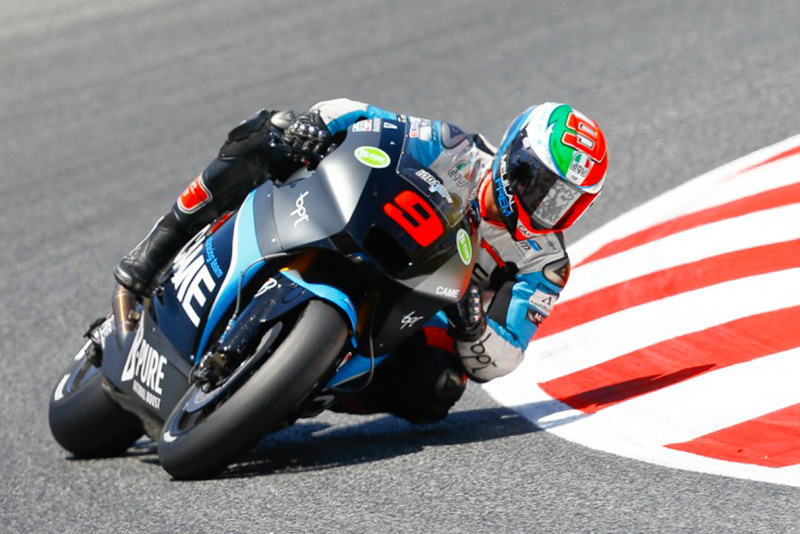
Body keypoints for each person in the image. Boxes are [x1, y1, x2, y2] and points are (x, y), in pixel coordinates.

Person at [114, 98, 608, 423]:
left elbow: (504, 358)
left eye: (563, 201)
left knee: (439, 387)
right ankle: (158, 245)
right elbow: (366, 117)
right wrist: (318, 125)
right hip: (357, 235)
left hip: (405, 315)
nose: (545, 205)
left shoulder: (544, 264)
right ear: (514, 155)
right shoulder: (453, 147)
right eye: (538, 184)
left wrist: (474, 324)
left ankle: (302, 390)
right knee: (272, 132)